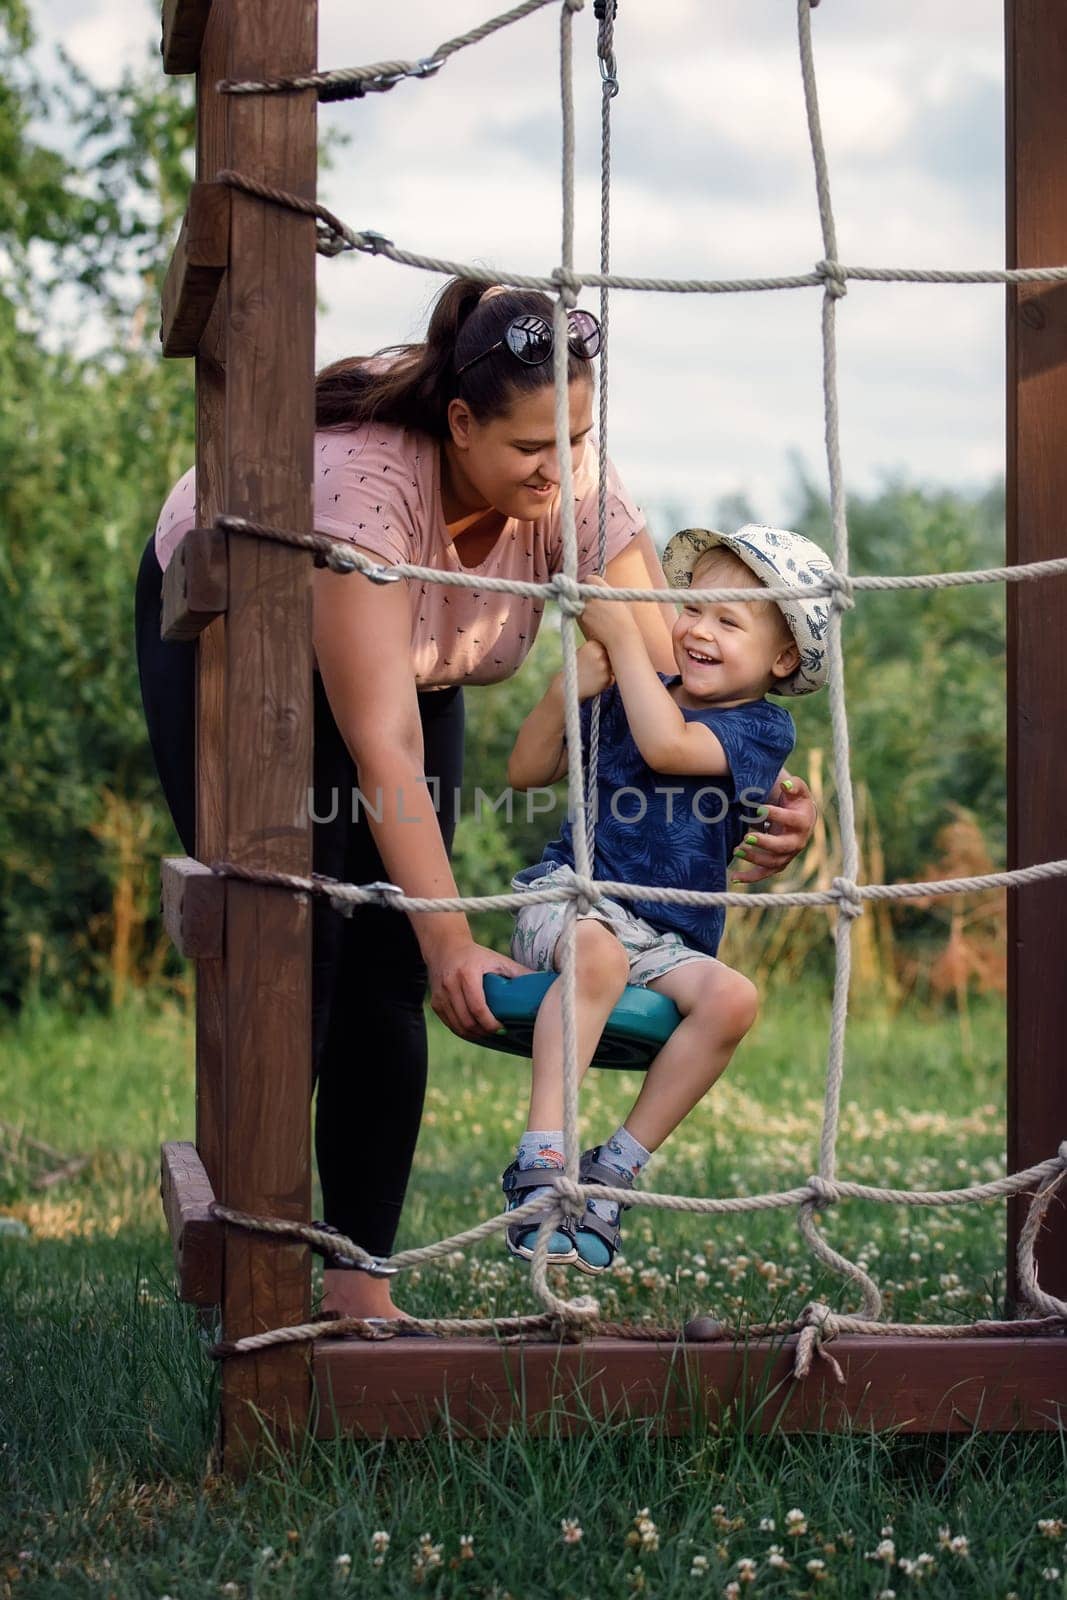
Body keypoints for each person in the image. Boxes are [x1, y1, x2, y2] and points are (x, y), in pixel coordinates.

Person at [135, 275, 817, 1322]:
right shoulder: (368, 491)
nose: (561, 469)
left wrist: (765, 799)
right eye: (531, 449)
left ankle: (359, 1279)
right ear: (459, 424)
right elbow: (383, 750)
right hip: (244, 634)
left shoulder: (570, 473)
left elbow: (664, 678)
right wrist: (453, 940)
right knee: (297, 943)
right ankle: (251, 1275)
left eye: (576, 438)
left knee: (384, 969)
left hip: (420, 653)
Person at [502, 524, 831, 1274]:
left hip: (663, 939)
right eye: (692, 609)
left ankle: (614, 1168)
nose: (698, 631)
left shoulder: (758, 729)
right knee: (596, 950)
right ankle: (541, 1156)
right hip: (571, 902)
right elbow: (525, 771)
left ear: (781, 659)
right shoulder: (629, 691)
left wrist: (622, 642)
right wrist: (564, 692)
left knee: (733, 999)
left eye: (728, 621)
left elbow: (669, 747)